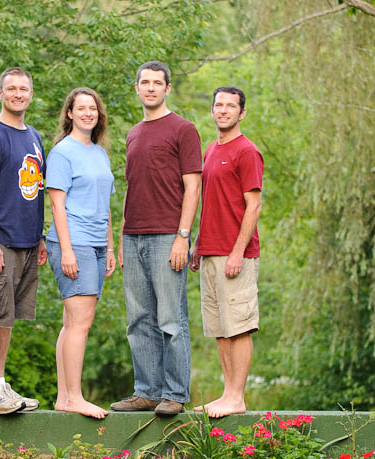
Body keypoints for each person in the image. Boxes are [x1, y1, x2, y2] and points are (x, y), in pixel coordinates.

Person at [111, 61, 202, 415]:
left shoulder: (183, 129)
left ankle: (175, 394)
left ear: (167, 89)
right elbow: (132, 189)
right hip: (133, 239)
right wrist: (121, 238)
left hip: (168, 236)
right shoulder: (133, 133)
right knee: (139, 319)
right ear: (137, 88)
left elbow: (193, 186)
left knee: (171, 319)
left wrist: (183, 236)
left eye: (157, 83)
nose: (150, 88)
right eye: (144, 82)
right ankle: (147, 391)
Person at [0, 67, 47, 415]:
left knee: (7, 317)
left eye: (24, 88)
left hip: (26, 242)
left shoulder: (33, 136)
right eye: (11, 88)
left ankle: (1, 385)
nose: (18, 93)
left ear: (31, 94)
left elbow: (35, 192)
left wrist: (40, 238)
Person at [189, 86, 264, 418]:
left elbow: (254, 206)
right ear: (213, 110)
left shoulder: (246, 151)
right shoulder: (209, 150)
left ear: (241, 113)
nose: (223, 110)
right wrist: (197, 245)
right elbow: (210, 204)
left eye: (231, 106)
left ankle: (237, 397)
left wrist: (237, 252)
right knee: (220, 328)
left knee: (239, 326)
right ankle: (226, 394)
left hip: (236, 255)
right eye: (218, 104)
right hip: (209, 251)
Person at [46, 87, 116, 419]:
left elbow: (106, 204)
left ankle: (64, 396)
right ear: (70, 113)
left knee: (72, 322)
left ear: (98, 115)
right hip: (73, 243)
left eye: (93, 108)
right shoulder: (62, 152)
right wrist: (69, 252)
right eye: (81, 108)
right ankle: (74, 396)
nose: (88, 113)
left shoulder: (100, 153)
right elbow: (57, 206)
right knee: (81, 323)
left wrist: (111, 245)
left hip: (97, 244)